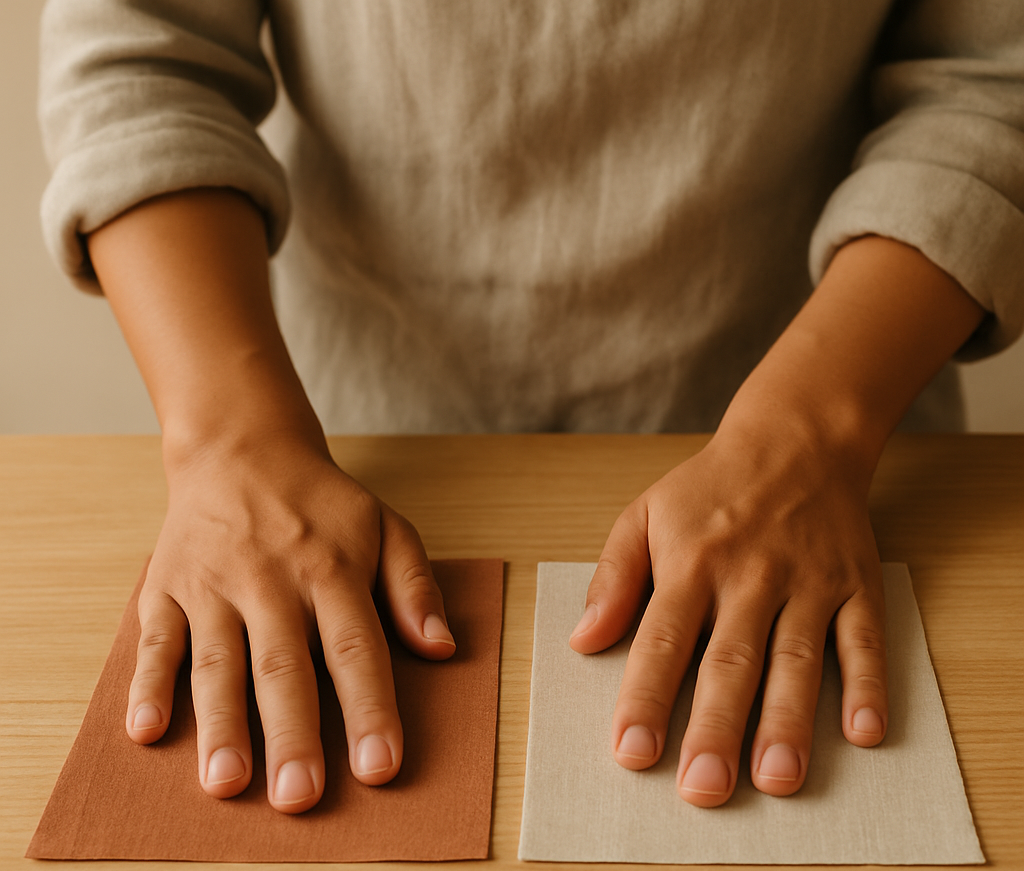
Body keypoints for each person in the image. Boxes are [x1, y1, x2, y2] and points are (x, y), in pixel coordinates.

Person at [39, 1, 1023, 813]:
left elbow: (990, 84)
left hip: (840, 441)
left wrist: (807, 435)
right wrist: (228, 442)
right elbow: (140, 58)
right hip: (341, 448)